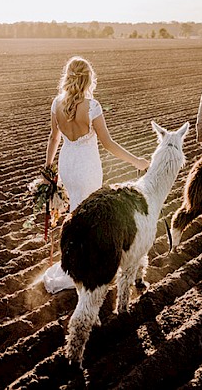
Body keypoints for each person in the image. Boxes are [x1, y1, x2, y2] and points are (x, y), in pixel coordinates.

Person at [41, 56, 149, 293]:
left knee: (73, 211)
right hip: (87, 166)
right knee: (88, 215)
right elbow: (108, 144)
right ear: (88, 78)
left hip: (67, 164)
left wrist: (48, 169)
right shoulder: (92, 107)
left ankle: (69, 261)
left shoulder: (56, 103)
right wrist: (137, 161)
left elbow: (53, 138)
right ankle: (83, 266)